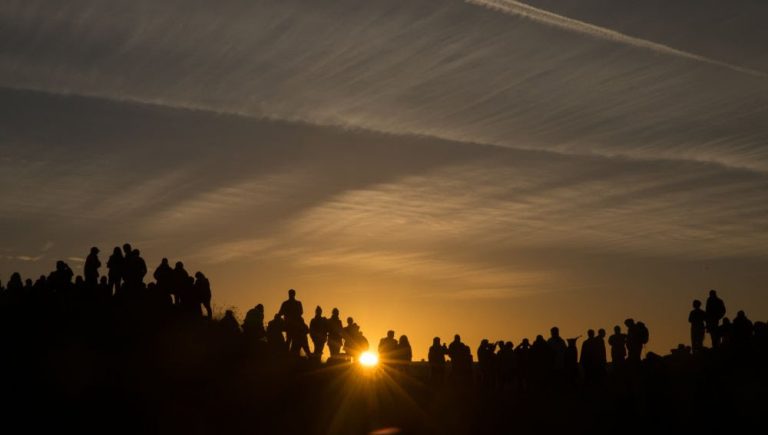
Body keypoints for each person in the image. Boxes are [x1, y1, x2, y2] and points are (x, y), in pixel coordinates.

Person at [278, 289, 304, 354]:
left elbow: (280, 313)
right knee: (291, 340)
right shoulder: (297, 303)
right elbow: (301, 312)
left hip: (291, 325)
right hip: (292, 325)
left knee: (290, 340)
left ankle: (289, 354)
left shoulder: (286, 303)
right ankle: (290, 354)